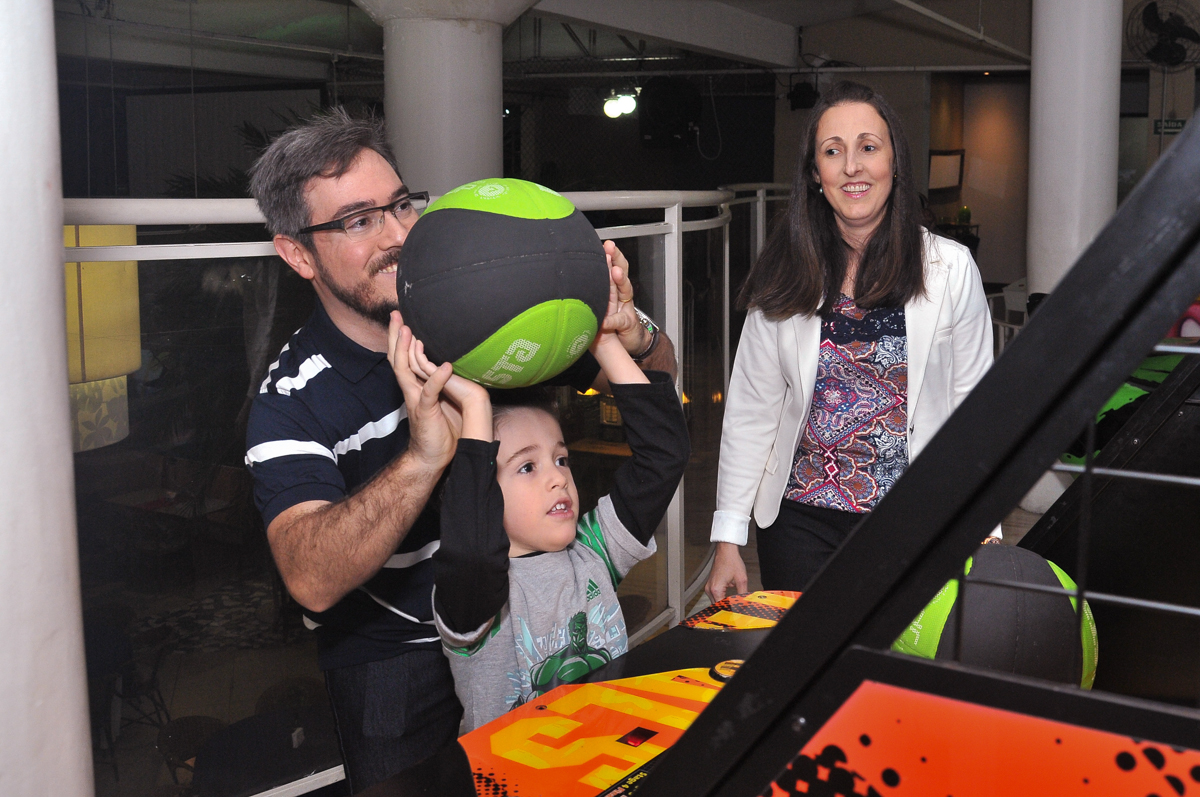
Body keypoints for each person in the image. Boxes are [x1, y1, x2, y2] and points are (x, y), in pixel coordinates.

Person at [244, 108, 676, 790]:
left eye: (400, 206)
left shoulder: (480, 314)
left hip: (530, 615)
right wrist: (424, 457)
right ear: (298, 254)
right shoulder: (292, 397)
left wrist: (630, 328)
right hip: (392, 656)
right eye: (359, 221)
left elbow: (658, 381)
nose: (397, 235)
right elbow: (311, 577)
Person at [705, 81, 995, 602]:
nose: (852, 167)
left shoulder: (951, 269)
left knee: (896, 654)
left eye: (868, 147)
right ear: (815, 174)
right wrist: (728, 537)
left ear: (895, 163)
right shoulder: (785, 273)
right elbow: (751, 412)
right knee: (808, 654)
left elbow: (976, 406)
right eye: (833, 151)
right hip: (799, 524)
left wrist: (986, 525)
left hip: (913, 521)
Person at [391, 287, 688, 732]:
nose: (557, 478)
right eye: (527, 466)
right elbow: (472, 552)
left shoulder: (594, 552)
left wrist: (605, 340)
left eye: (561, 459)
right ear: (480, 492)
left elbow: (664, 457)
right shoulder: (472, 598)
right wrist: (475, 409)